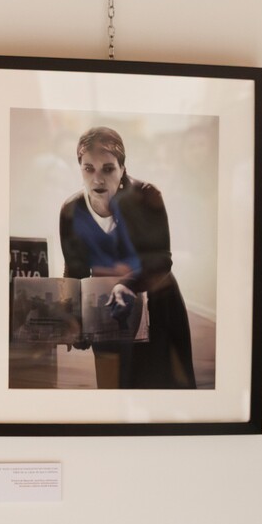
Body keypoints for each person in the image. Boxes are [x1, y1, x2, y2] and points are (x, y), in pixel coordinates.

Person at [57, 126, 196, 389]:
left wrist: (127, 285)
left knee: (166, 392)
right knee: (114, 394)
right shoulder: (71, 210)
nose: (98, 178)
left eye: (108, 169)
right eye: (89, 169)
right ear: (80, 168)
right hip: (106, 309)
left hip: (158, 305)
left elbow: (161, 260)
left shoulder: (147, 196)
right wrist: (73, 317)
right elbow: (75, 270)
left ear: (122, 168)